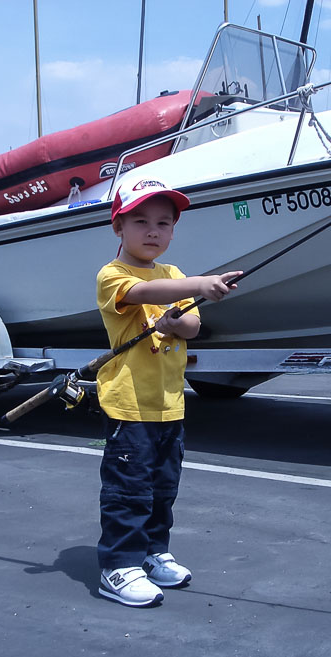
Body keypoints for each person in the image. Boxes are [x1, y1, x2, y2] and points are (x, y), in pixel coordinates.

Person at [95, 177, 242, 607]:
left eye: (163, 223)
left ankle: (152, 552)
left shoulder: (173, 274)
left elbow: (193, 326)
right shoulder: (113, 275)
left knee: (163, 488)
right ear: (119, 227)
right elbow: (142, 293)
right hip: (130, 407)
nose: (153, 231)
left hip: (169, 405)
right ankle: (118, 566)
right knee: (128, 490)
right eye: (140, 221)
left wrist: (176, 321)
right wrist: (200, 284)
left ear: (173, 231)